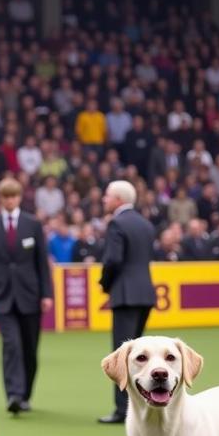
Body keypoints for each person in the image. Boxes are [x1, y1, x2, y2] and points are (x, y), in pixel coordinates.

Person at [0, 177, 53, 414]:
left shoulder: (33, 224)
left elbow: (42, 263)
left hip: (30, 295)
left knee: (30, 348)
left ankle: (26, 394)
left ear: (19, 198)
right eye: (5, 197)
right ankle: (14, 394)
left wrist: (46, 294)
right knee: (11, 345)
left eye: (13, 196)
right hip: (2, 296)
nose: (10, 200)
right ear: (0, 199)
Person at [98, 180, 156, 423]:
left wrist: (105, 283)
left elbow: (113, 260)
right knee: (140, 355)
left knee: (123, 356)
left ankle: (123, 410)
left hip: (125, 294)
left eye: (107, 196)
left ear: (119, 199)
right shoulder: (145, 223)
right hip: (145, 293)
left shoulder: (117, 224)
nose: (104, 200)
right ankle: (140, 404)